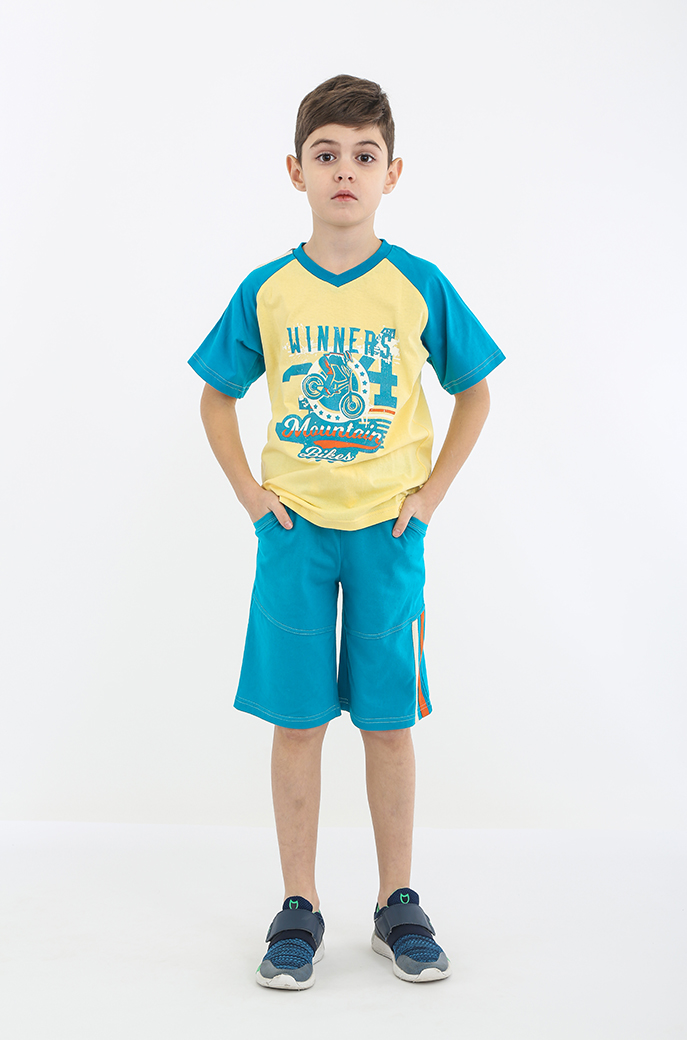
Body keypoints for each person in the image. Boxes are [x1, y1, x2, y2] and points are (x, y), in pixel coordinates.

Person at [188, 74, 505, 990]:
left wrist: (428, 498)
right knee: (296, 723)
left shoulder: (417, 285)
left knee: (388, 723)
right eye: (325, 154)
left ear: (391, 173)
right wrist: (253, 498)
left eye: (364, 156)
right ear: (295, 170)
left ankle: (397, 902)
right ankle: (299, 905)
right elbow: (215, 398)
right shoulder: (268, 290)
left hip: (386, 536)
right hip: (294, 535)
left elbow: (475, 392)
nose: (344, 171)